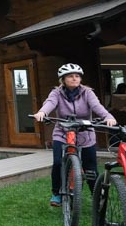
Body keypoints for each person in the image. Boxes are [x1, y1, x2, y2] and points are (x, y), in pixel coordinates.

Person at [32, 63, 117, 207]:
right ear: (63, 79)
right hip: (62, 132)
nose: (74, 79)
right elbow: (50, 103)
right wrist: (42, 112)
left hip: (85, 133)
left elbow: (96, 106)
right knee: (58, 163)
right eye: (70, 76)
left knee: (91, 167)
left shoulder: (87, 92)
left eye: (77, 76)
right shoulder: (56, 93)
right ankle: (56, 193)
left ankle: (96, 195)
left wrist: (108, 116)